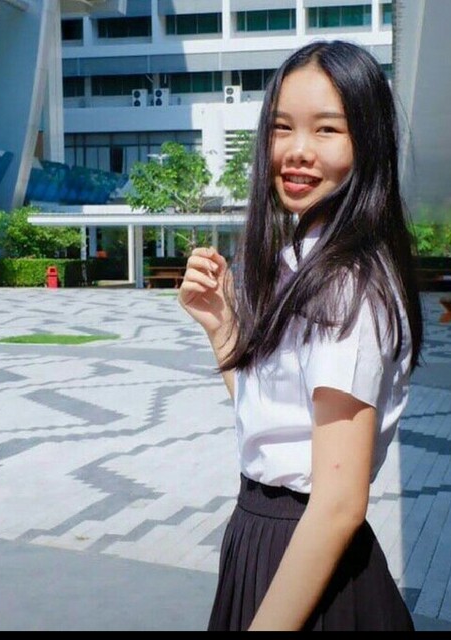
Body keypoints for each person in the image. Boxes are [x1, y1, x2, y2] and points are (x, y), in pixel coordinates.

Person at [178, 39, 423, 632]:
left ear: (368, 142)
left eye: (327, 129)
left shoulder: (346, 283)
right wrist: (223, 327)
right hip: (271, 538)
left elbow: (337, 505)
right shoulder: (303, 262)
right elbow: (279, 426)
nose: (296, 151)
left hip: (306, 551)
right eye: (282, 127)